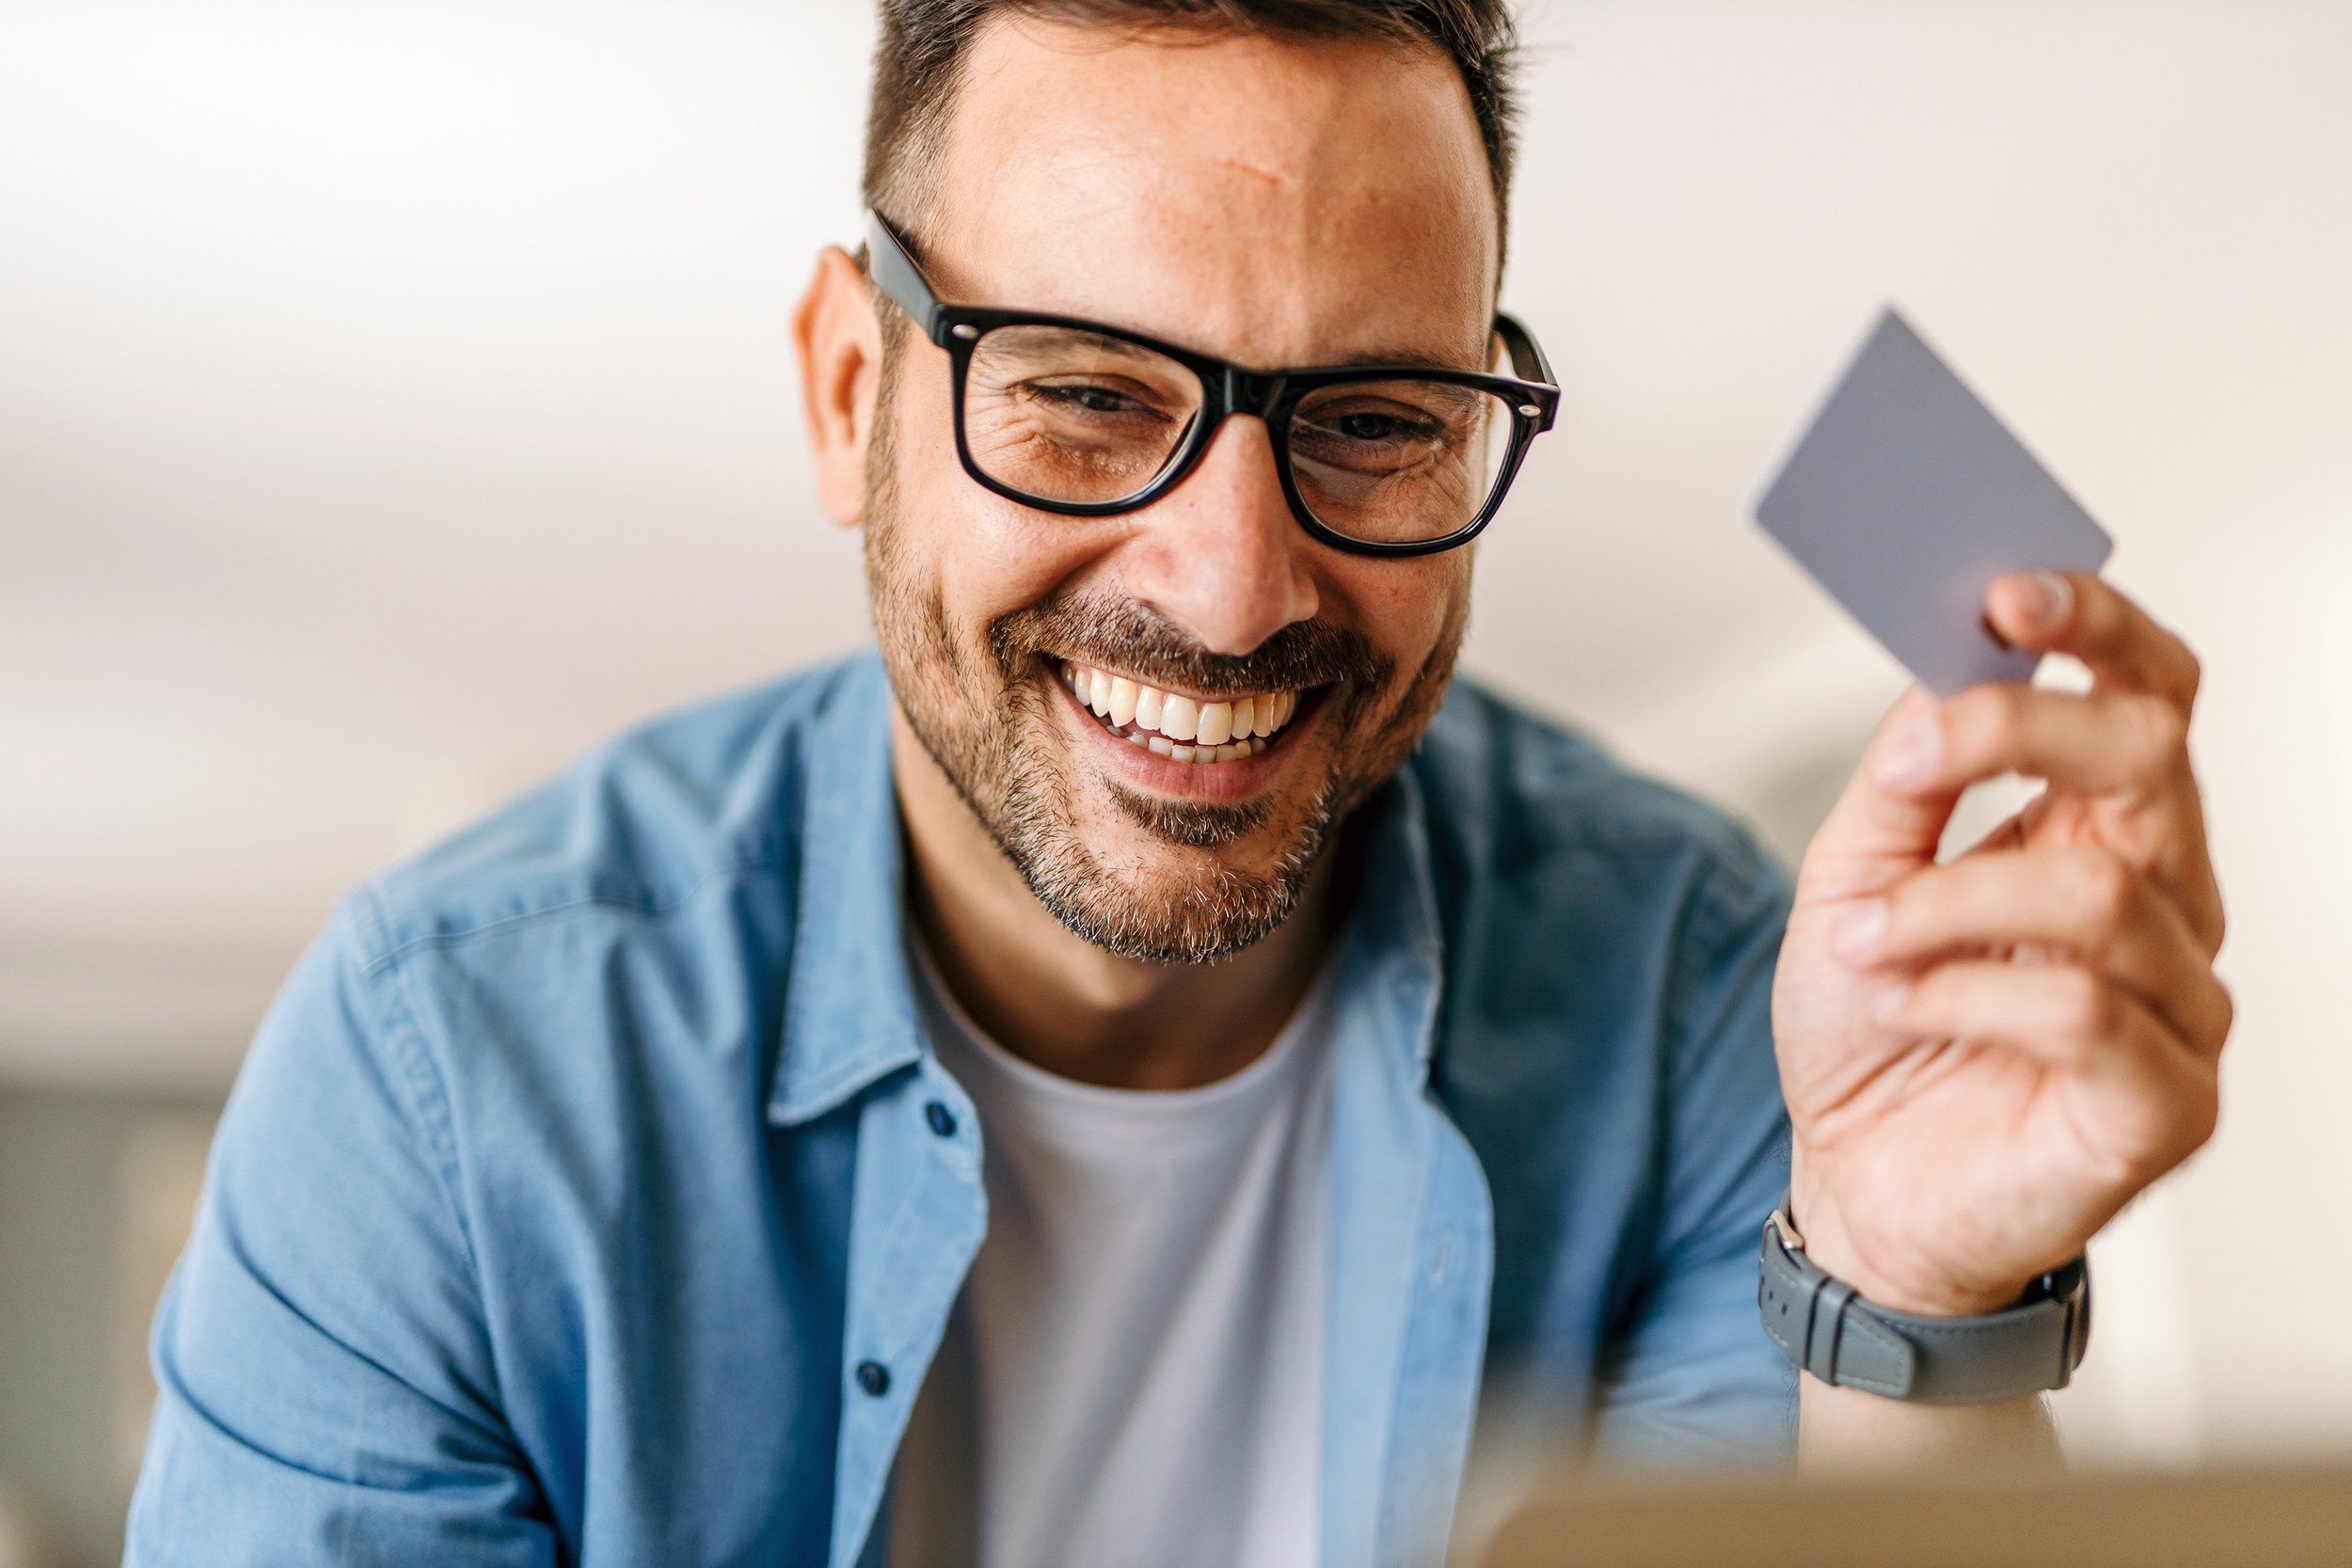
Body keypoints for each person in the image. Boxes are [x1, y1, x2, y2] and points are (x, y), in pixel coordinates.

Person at [123, 2, 2232, 1564]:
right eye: (1081, 397)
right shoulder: (437, 1072)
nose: (1230, 592)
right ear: (851, 394)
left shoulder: (1703, 998)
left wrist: (1906, 1290)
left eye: (1377, 421)